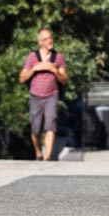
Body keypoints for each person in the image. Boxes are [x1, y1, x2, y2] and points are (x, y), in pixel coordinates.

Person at [18, 28, 68, 161]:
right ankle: (39, 152)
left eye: (51, 38)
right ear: (40, 42)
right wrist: (35, 68)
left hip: (52, 95)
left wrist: (55, 70)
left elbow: (64, 79)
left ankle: (48, 157)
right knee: (36, 129)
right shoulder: (32, 57)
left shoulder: (58, 57)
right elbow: (22, 78)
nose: (50, 40)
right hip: (35, 96)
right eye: (46, 39)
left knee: (51, 125)